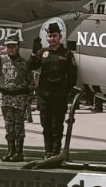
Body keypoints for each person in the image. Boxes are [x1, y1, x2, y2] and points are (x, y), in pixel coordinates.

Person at [28, 22, 78, 159]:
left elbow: (73, 76)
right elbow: (31, 66)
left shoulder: (67, 55)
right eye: (49, 36)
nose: (52, 39)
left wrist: (66, 92)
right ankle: (47, 151)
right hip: (44, 95)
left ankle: (55, 152)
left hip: (59, 95)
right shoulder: (43, 53)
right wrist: (33, 53)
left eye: (54, 36)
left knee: (57, 125)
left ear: (60, 37)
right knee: (46, 124)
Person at [0, 36, 32, 162]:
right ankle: (10, 151)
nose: (11, 48)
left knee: (19, 126)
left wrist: (28, 99)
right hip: (6, 97)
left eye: (13, 46)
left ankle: (19, 152)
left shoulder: (24, 63)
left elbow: (30, 82)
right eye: (8, 46)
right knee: (9, 126)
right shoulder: (1, 60)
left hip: (19, 97)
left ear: (18, 46)